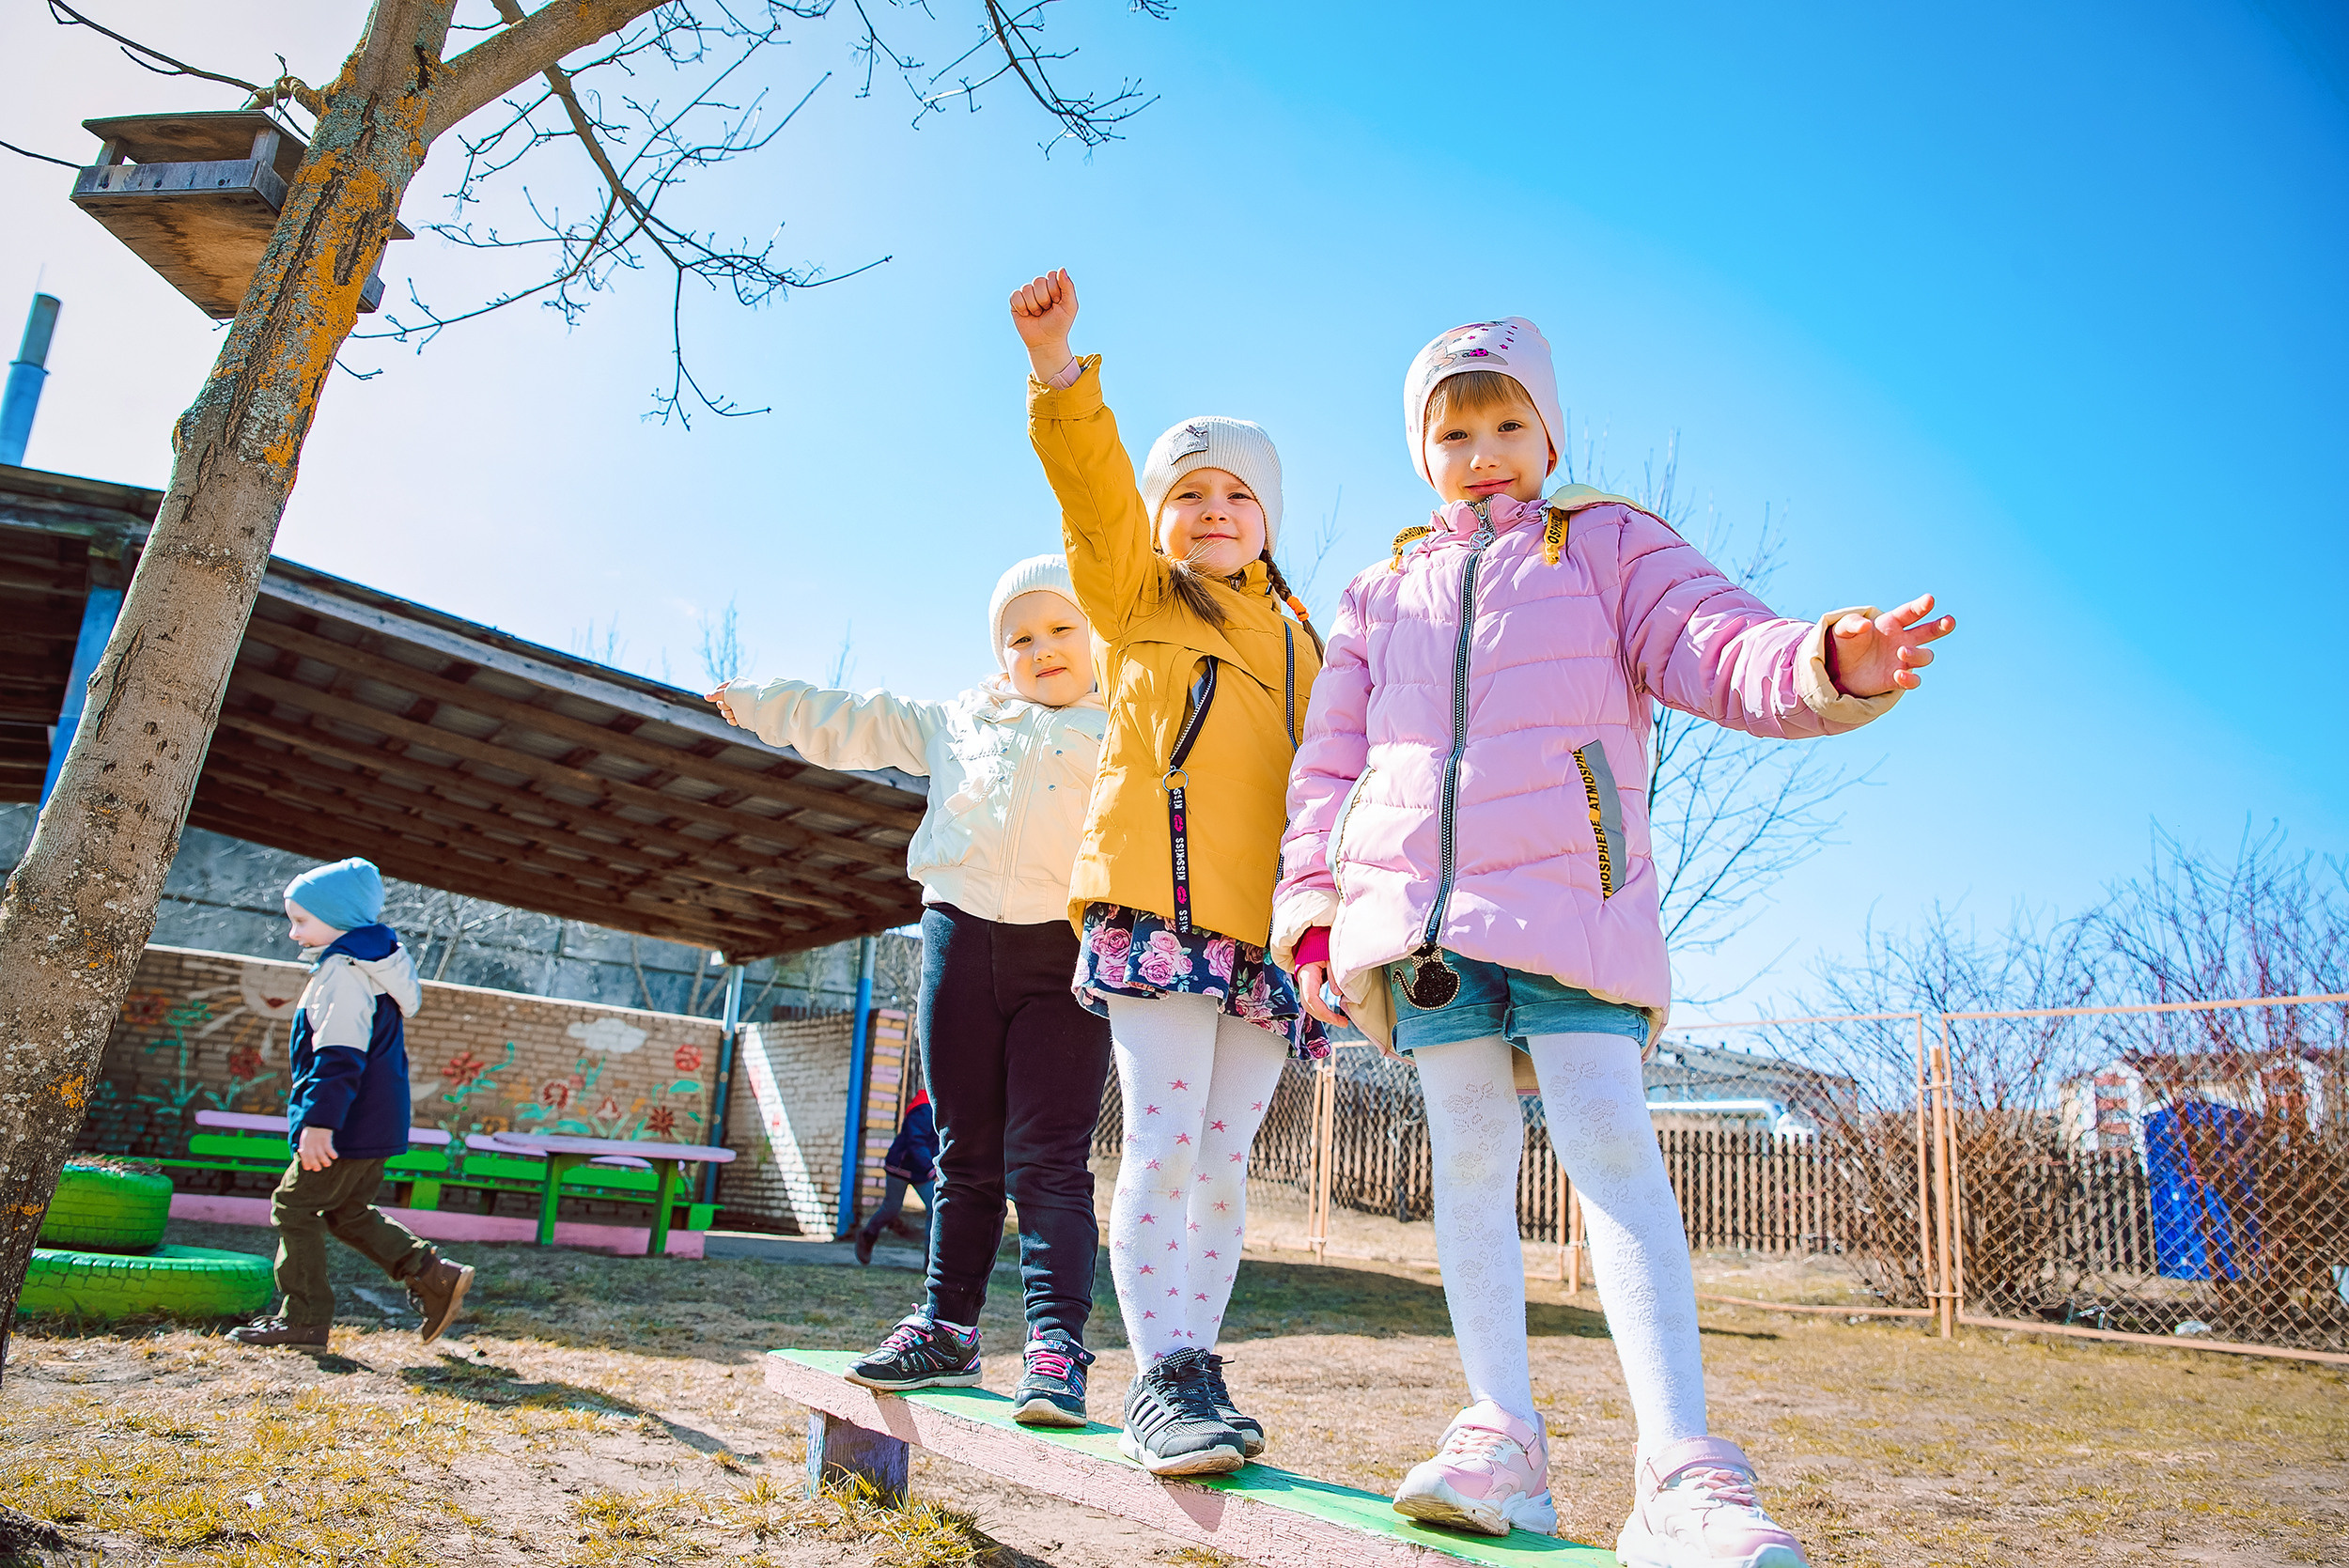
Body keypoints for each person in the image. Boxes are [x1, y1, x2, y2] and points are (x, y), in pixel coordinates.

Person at [1273, 318, 1956, 1562]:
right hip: (1420, 926)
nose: (1484, 452)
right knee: (1467, 1159)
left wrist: (1823, 658)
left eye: (1507, 426)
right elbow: (1328, 764)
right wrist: (1313, 917)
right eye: (1454, 432)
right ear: (1422, 455)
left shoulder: (1605, 545)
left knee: (1609, 1147)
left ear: (1549, 433)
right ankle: (1503, 1440)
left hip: (1570, 906)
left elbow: (1713, 639)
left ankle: (1680, 1471)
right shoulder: (1382, 591)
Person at [1011, 269, 1328, 1478]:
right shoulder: (1139, 599)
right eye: (1187, 491)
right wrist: (1057, 371)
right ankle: (1161, 1368)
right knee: (1161, 1134)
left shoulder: (1306, 644)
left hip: (1265, 939)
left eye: (1237, 493)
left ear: (1269, 515)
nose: (1212, 508)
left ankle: (1199, 1356)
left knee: (1226, 1155)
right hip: (1162, 912)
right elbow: (1091, 498)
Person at [709, 555, 1113, 1427]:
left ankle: (1055, 1346)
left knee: (1047, 1158)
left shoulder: (1120, 726)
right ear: (997, 653)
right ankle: (945, 1326)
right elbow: (853, 720)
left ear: (1096, 635)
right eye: (1020, 637)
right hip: (959, 937)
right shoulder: (957, 719)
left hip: (1069, 950)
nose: (1041, 649)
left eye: (1061, 629)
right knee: (963, 1149)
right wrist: (756, 699)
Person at [227, 858, 474, 1349]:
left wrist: (319, 1123)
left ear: (339, 920)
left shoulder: (343, 973)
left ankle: (304, 1319)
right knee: (346, 1210)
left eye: (302, 920)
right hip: (374, 1124)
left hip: (345, 1125)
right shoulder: (375, 968)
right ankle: (432, 1274)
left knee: (293, 1207)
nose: (294, 933)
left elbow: (339, 1057)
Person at [853, 1089, 939, 1265]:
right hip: (901, 1166)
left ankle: (931, 1262)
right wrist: (931, 1168)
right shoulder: (923, 1109)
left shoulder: (943, 1110)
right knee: (891, 1209)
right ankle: (867, 1235)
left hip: (921, 1170)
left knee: (935, 1207)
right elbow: (916, 1142)